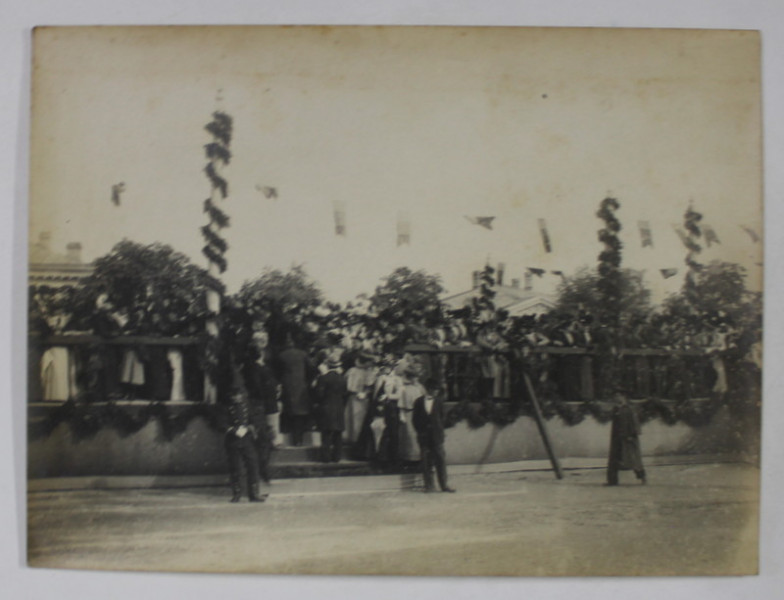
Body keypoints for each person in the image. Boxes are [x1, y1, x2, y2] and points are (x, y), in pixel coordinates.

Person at [223, 375, 267, 503]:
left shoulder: (247, 406)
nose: (237, 397)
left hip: (247, 440)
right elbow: (222, 423)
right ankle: (236, 494)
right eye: (234, 395)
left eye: (239, 395)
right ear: (231, 396)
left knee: (253, 465)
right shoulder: (227, 408)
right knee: (235, 467)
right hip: (233, 440)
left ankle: (254, 493)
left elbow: (253, 419)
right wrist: (233, 430)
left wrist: (250, 427)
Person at [412, 379, 455, 493]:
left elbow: (442, 418)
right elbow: (415, 420)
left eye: (437, 390)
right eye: (434, 389)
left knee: (440, 459)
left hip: (436, 436)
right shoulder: (418, 402)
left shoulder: (440, 402)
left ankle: (444, 485)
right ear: (428, 389)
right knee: (426, 461)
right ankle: (429, 486)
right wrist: (421, 432)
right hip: (424, 436)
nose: (436, 392)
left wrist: (439, 431)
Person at [275, 334, 316, 446]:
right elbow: (312, 369)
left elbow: (277, 373)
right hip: (301, 387)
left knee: (288, 412)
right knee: (300, 413)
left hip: (286, 387)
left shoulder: (281, 356)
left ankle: (287, 436)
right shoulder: (303, 354)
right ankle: (299, 440)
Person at [314, 356, 349, 463]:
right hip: (339, 408)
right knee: (338, 434)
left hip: (326, 407)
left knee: (326, 434)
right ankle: (337, 457)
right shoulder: (342, 378)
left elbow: (319, 395)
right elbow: (345, 394)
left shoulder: (323, 378)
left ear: (328, 366)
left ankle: (326, 458)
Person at [607, 395, 646, 486]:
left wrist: (631, 435)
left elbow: (633, 423)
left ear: (624, 399)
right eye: (616, 398)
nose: (617, 399)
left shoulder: (629, 410)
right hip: (617, 439)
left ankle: (642, 477)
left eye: (619, 397)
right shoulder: (616, 409)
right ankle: (612, 481)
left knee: (633, 459)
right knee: (614, 460)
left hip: (627, 438)